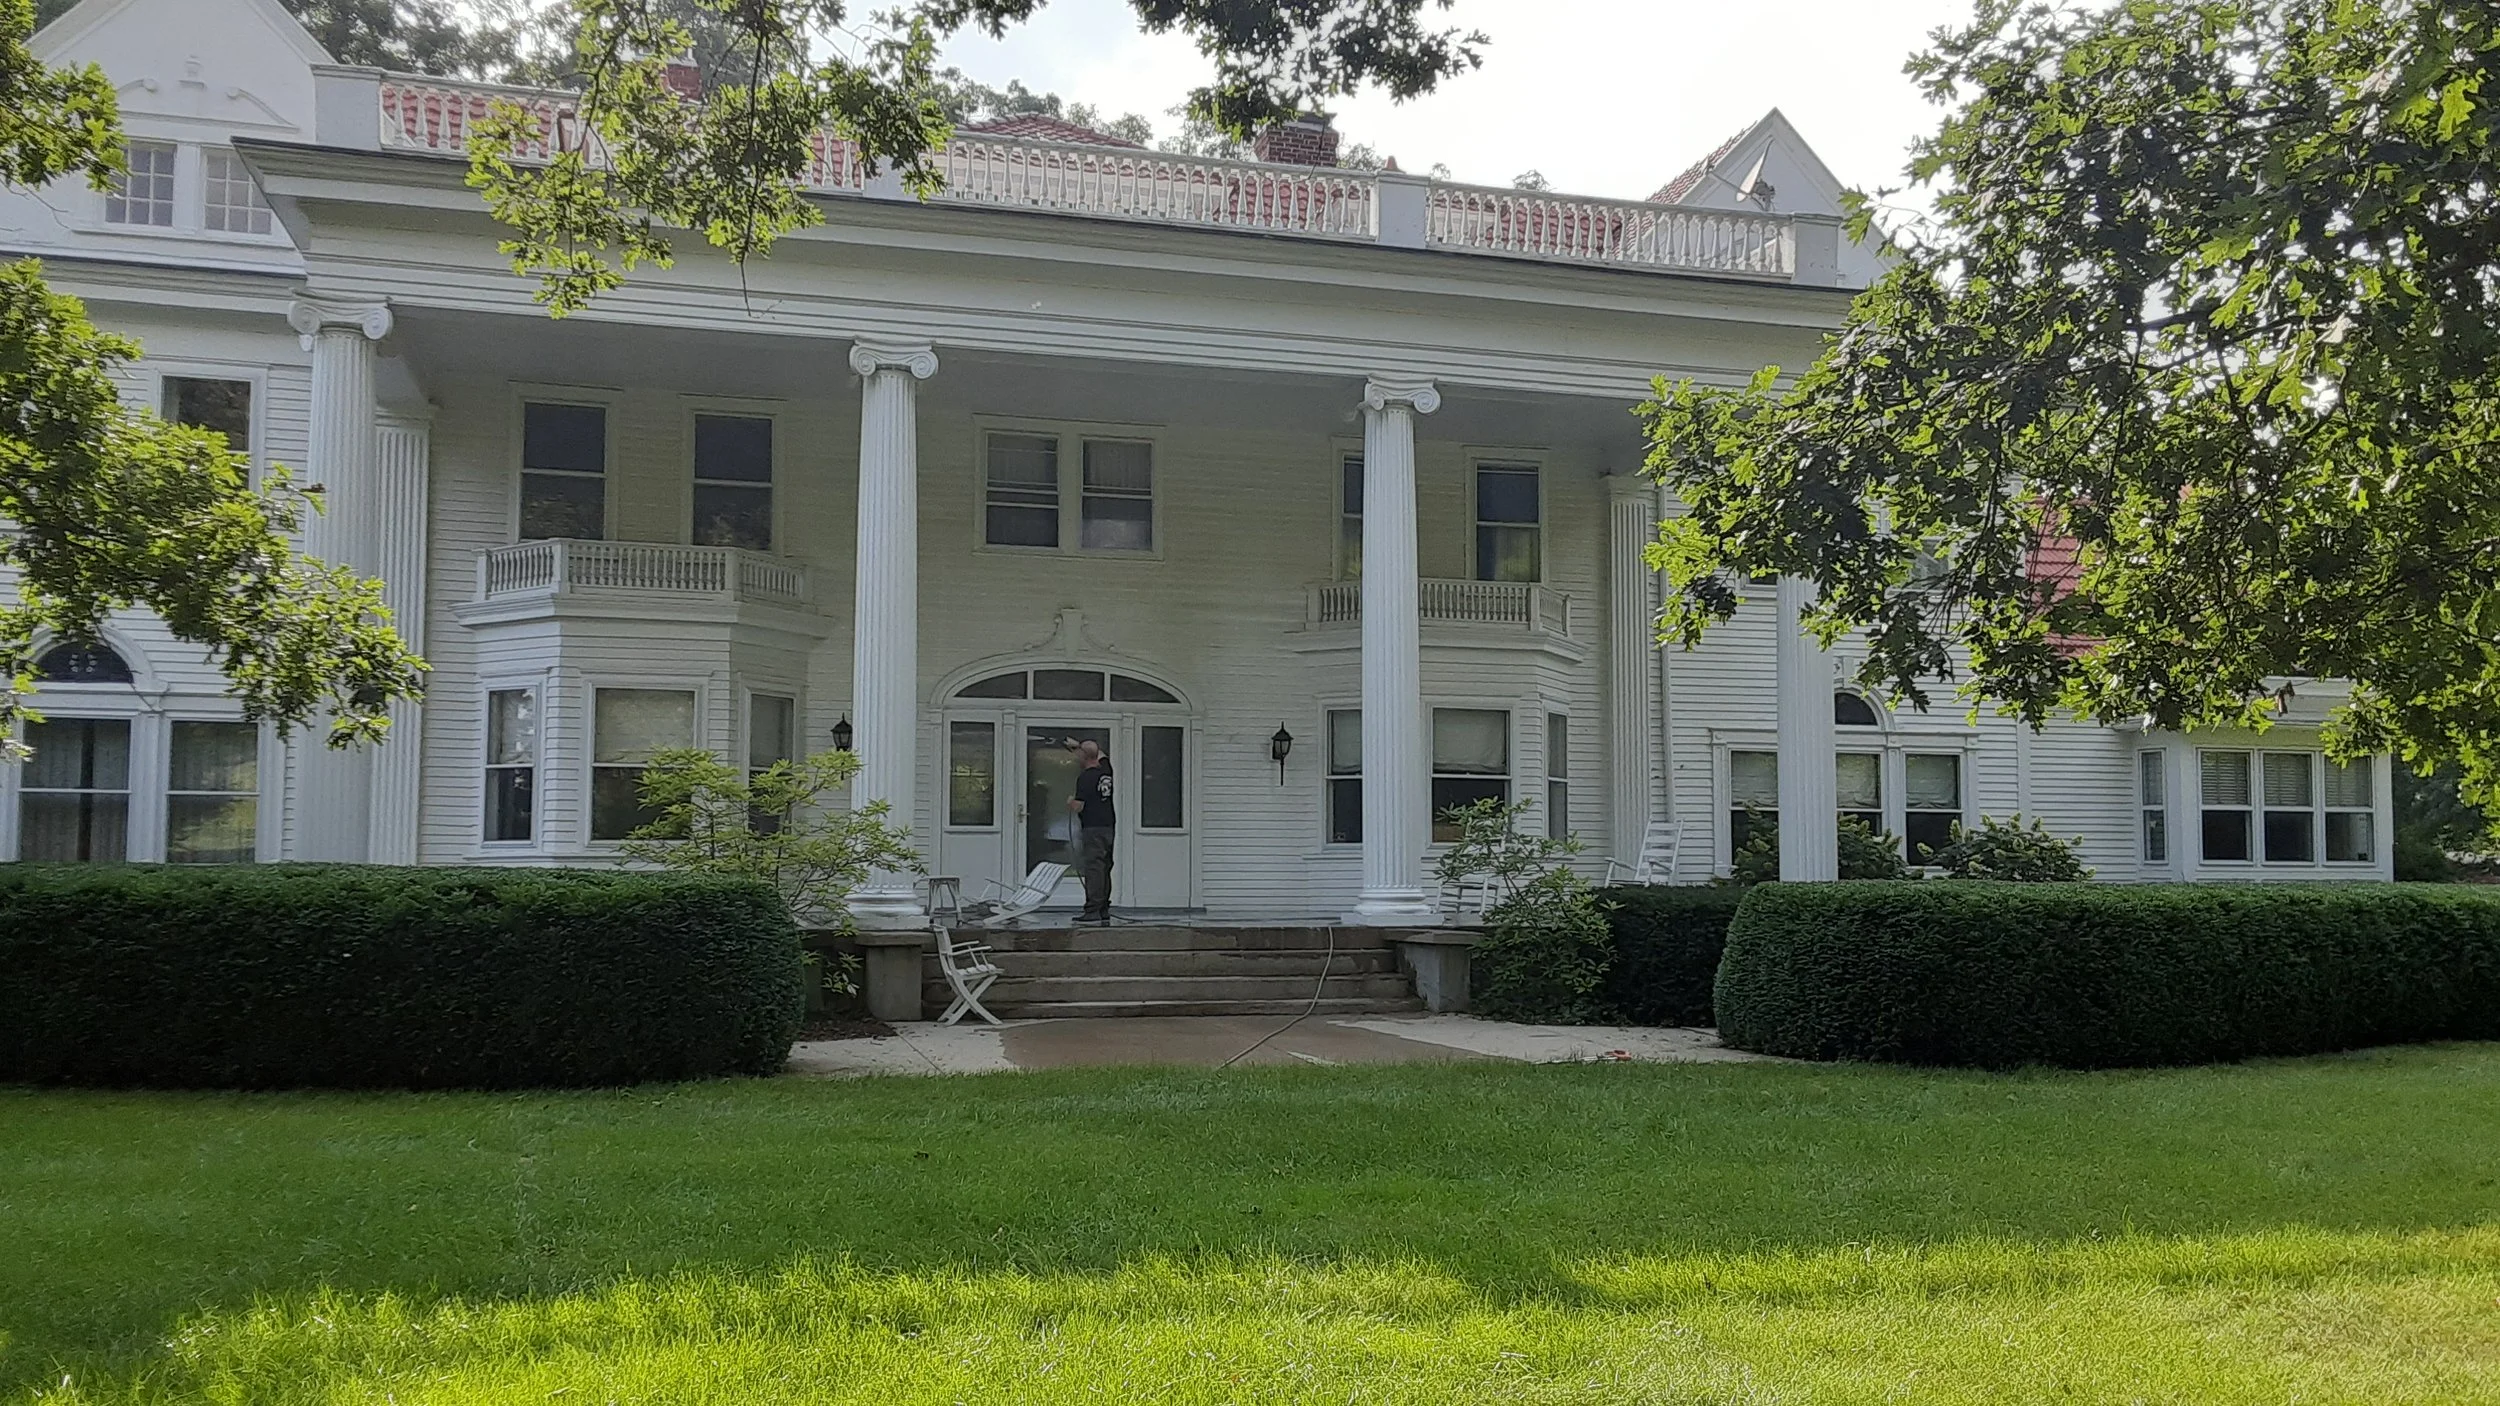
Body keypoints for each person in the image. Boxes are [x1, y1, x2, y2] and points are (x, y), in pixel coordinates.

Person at [1065, 737, 1115, 923]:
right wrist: (1079, 745)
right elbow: (1100, 754)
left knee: (1094, 868)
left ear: (1083, 757)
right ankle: (1104, 908)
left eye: (1079, 754)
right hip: (1108, 826)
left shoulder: (1085, 777)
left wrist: (1070, 802)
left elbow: (1079, 806)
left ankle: (1092, 909)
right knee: (1105, 867)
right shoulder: (1106, 771)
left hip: (1092, 827)